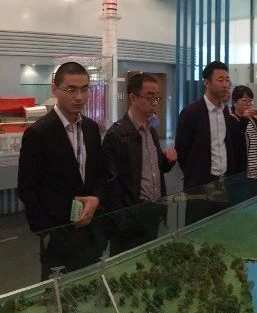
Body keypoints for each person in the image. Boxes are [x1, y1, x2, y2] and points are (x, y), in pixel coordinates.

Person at [17, 62, 105, 279]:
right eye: (71, 90)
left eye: (84, 89)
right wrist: (46, 234)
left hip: (91, 230)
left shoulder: (91, 129)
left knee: (91, 288)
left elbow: (99, 174)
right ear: (54, 89)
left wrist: (96, 198)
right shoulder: (38, 133)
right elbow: (27, 189)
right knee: (57, 294)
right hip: (58, 236)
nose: (79, 97)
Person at [100, 74, 177, 256]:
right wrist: (122, 219)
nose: (155, 102)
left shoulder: (150, 130)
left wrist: (168, 161)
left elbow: (154, 168)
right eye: (149, 97)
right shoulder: (116, 135)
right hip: (130, 217)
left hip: (153, 210)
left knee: (148, 259)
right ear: (133, 98)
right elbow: (110, 184)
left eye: (157, 97)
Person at [175, 61, 237, 224]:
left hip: (223, 181)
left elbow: (225, 144)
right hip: (200, 185)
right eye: (220, 80)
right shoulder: (191, 112)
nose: (225, 84)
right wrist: (195, 175)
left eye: (227, 80)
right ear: (207, 83)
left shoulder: (225, 111)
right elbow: (182, 150)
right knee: (197, 227)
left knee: (221, 227)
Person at [229, 85, 257, 205]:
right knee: (241, 207)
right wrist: (244, 119)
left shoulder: (254, 120)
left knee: (255, 205)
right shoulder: (230, 119)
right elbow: (235, 142)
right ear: (235, 102)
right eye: (244, 100)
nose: (248, 104)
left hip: (256, 174)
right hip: (239, 175)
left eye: (250, 101)